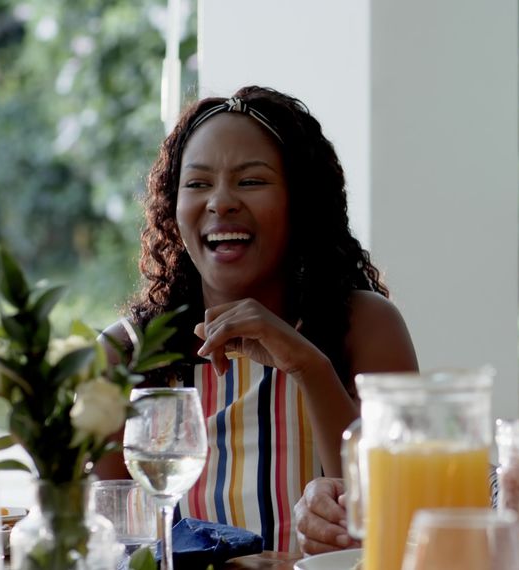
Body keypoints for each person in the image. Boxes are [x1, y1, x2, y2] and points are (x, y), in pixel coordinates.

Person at [94, 86, 418, 553]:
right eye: (198, 184)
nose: (220, 202)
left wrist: (308, 367)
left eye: (250, 181)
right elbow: (113, 548)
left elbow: (396, 517)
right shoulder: (125, 355)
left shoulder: (365, 326)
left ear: (301, 201)